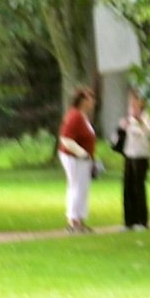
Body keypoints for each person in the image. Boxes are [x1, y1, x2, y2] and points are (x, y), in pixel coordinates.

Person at [56, 86, 100, 233]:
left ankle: (79, 220)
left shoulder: (81, 116)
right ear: (82, 100)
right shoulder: (74, 116)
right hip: (74, 157)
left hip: (82, 159)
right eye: (90, 98)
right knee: (77, 187)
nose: (93, 101)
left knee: (81, 188)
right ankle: (73, 221)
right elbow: (65, 138)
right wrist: (82, 153)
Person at [116, 88, 150, 230]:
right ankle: (129, 221)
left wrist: (136, 122)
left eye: (135, 100)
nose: (133, 103)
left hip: (141, 154)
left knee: (138, 187)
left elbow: (148, 133)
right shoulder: (130, 115)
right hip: (129, 153)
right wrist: (124, 126)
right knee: (127, 187)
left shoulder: (149, 115)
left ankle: (142, 221)